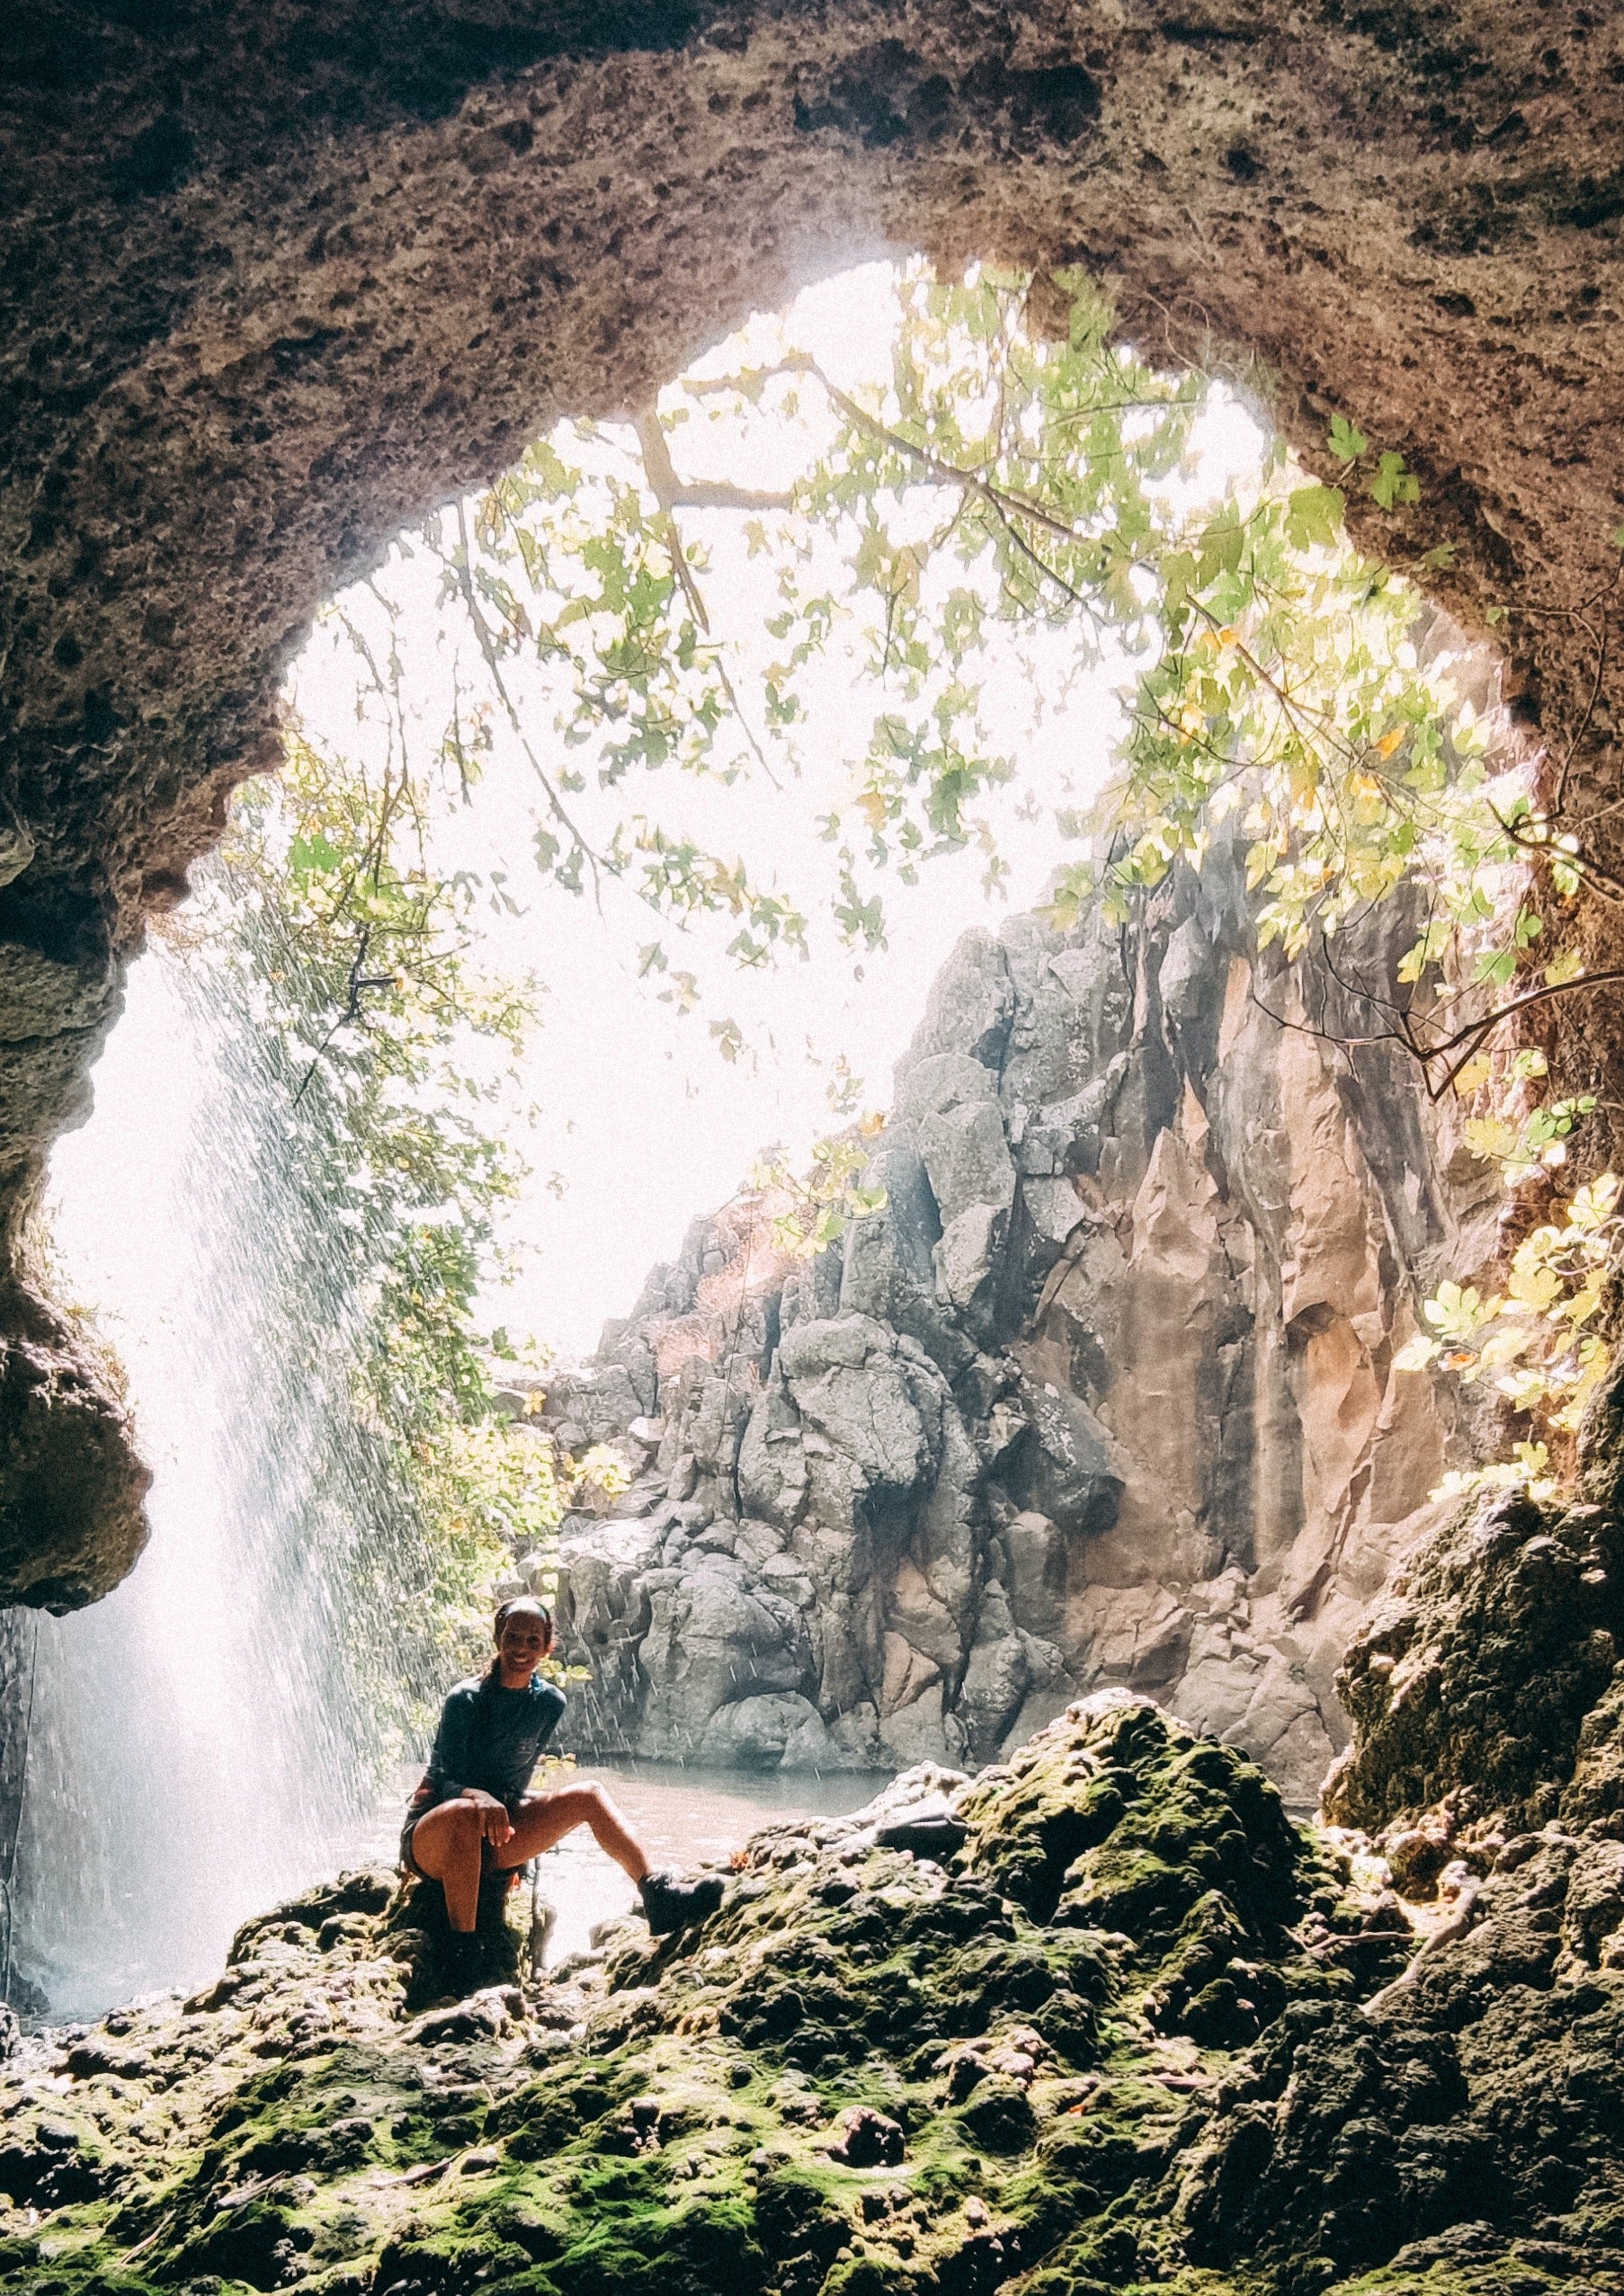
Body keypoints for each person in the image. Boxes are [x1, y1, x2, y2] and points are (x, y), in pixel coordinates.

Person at [400, 1595, 723, 1990]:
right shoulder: (465, 1700)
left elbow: (514, 1782)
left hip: (493, 1836)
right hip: (435, 1838)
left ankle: (659, 1896)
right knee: (467, 1813)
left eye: (532, 1640)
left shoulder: (549, 1703)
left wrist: (524, 1855)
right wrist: (477, 1796)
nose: (521, 1648)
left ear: (547, 1646)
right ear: (498, 1637)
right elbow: (439, 1778)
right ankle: (463, 1953)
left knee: (588, 1795)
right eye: (513, 1637)